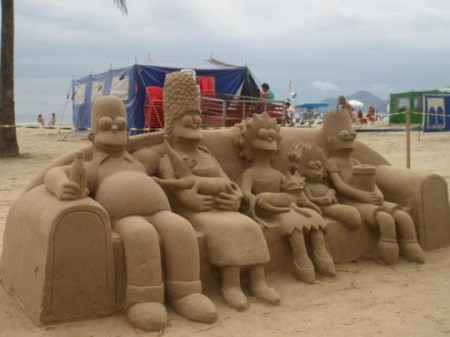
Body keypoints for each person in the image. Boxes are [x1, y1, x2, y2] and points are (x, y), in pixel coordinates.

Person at [44, 96, 217, 331]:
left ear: (128, 135)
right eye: (106, 125)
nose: (115, 128)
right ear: (92, 137)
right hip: (124, 217)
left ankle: (186, 292)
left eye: (121, 126)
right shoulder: (92, 166)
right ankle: (146, 298)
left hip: (159, 210)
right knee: (140, 234)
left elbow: (166, 148)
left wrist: (182, 147)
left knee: (180, 228)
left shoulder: (139, 160)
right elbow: (54, 173)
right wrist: (61, 185)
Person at [157, 72, 280, 312]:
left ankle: (258, 281)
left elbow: (229, 182)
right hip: (198, 213)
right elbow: (181, 192)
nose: (194, 123)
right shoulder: (167, 159)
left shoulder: (206, 154)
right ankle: (231, 284)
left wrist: (234, 198)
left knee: (249, 225)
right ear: (172, 127)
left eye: (196, 118)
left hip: (224, 208)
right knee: (224, 230)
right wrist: (192, 200)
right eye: (187, 120)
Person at [237, 112, 335, 284]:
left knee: (314, 217)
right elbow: (245, 192)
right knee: (293, 224)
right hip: (271, 209)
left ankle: (321, 253)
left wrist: (312, 202)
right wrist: (257, 199)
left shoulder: (277, 174)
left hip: (287, 205)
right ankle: (301, 257)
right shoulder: (250, 173)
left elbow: (294, 190)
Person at [322, 109, 425, 265]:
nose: (350, 138)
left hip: (370, 198)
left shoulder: (355, 162)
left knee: (403, 216)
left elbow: (371, 182)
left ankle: (411, 246)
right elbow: (340, 186)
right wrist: (362, 196)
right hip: (352, 202)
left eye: (352, 134)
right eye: (344, 135)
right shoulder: (332, 162)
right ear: (331, 141)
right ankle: (386, 254)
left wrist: (379, 193)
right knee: (385, 220)